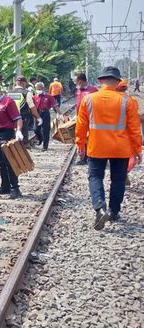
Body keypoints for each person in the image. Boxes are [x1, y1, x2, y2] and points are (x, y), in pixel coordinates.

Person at [75, 66, 142, 230]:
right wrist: (137, 149)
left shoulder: (89, 99)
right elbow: (134, 128)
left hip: (97, 147)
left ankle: (100, 207)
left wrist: (80, 144)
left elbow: (81, 125)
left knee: (95, 177)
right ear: (118, 82)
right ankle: (114, 211)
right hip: (121, 148)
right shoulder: (128, 101)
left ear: (100, 81)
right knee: (118, 179)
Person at [0, 83, 25, 199]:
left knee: (10, 162)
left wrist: (18, 131)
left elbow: (18, 118)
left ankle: (15, 188)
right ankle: (5, 186)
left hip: (7, 135)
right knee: (1, 162)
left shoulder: (8, 102)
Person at [9, 76, 41, 146]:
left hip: (11, 117)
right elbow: (32, 107)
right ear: (24, 83)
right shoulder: (26, 93)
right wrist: (38, 117)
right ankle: (24, 147)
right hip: (23, 116)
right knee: (23, 133)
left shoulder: (9, 93)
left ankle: (14, 147)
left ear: (16, 83)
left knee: (12, 133)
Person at [74, 73, 99, 166]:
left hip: (91, 117)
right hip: (81, 117)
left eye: (76, 81)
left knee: (91, 137)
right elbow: (77, 103)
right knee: (82, 137)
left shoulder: (93, 90)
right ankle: (83, 158)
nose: (76, 83)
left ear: (80, 81)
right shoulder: (78, 90)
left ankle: (90, 156)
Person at [33, 82, 62, 151]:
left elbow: (55, 105)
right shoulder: (34, 97)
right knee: (36, 129)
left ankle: (45, 146)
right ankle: (40, 139)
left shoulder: (49, 96)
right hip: (37, 114)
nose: (38, 90)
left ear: (43, 88)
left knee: (46, 130)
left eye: (39, 88)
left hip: (45, 114)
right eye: (37, 89)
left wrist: (60, 114)